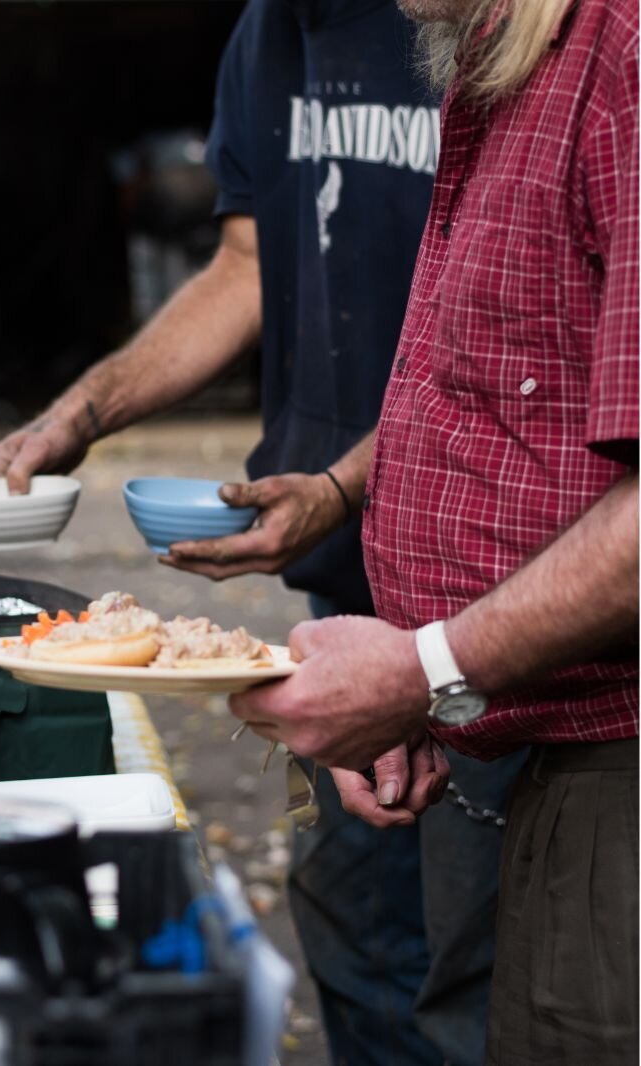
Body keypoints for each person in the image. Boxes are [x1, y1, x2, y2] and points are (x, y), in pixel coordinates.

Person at [0, 1, 523, 1062]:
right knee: (358, 923)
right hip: (346, 582)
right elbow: (244, 265)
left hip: (497, 579)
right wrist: (83, 411)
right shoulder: (267, 34)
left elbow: (499, 330)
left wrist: (342, 482)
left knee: (480, 955)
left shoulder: (473, 21)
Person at [231, 0, 638, 1058]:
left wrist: (425, 665)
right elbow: (503, 399)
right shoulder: (500, 58)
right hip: (517, 727)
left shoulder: (625, 55)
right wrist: (439, 679)